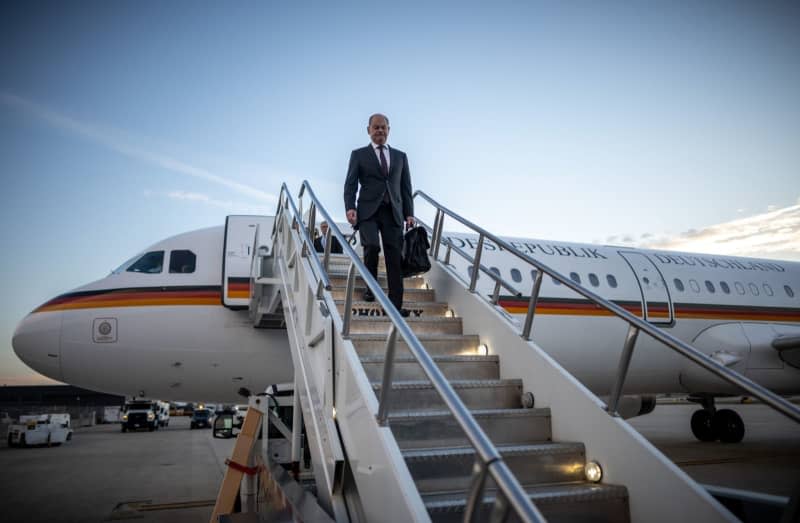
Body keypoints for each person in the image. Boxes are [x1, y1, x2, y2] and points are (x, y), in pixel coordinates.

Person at [343, 113, 414, 316]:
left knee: (394, 257)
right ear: (369, 130)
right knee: (372, 246)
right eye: (376, 127)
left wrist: (409, 213)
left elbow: (405, 187)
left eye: (383, 127)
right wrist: (350, 207)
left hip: (393, 212)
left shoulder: (401, 156)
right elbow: (350, 184)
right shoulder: (358, 155)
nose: (380, 130)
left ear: (389, 130)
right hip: (368, 211)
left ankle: (395, 305)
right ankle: (370, 287)